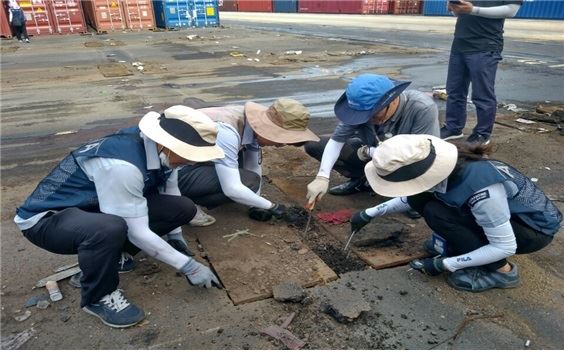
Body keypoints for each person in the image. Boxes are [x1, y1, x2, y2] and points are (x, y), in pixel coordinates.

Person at [14, 106, 225, 328]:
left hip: (95, 208)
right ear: (168, 144)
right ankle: (98, 296)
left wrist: (175, 237)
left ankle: (113, 257)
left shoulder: (161, 150)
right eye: (190, 155)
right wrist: (188, 266)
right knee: (108, 228)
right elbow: (137, 230)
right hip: (47, 220)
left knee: (182, 207)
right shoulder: (122, 165)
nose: (192, 162)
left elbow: (170, 192)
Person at [351, 134, 561, 292]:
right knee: (422, 200)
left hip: (531, 231)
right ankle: (461, 246)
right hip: (505, 218)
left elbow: (504, 246)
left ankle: (503, 272)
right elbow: (413, 195)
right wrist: (370, 213)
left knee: (437, 213)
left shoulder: (482, 190)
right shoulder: (442, 166)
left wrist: (445, 264)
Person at [304, 73, 439, 217]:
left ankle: (411, 195)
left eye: (374, 115)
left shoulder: (421, 108)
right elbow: (337, 141)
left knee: (415, 198)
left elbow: (425, 155)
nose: (368, 119)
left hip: (409, 162)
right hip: (374, 156)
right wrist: (322, 176)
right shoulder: (360, 106)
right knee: (316, 145)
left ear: (392, 101)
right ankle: (361, 179)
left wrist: (371, 151)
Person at [177, 98, 319, 222]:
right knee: (247, 182)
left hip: (197, 158)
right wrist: (273, 207)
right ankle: (184, 203)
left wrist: (255, 205)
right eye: (279, 138)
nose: (279, 145)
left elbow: (253, 166)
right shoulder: (226, 132)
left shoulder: (251, 124)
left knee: (250, 180)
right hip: (171, 173)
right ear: (266, 128)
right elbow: (232, 188)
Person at [440, 0, 522, 145]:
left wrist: (473, 10)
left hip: (485, 46)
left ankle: (482, 134)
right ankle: (453, 127)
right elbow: (460, 13)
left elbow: (511, 10)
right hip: (460, 44)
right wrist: (454, 8)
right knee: (454, 90)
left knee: (482, 94)